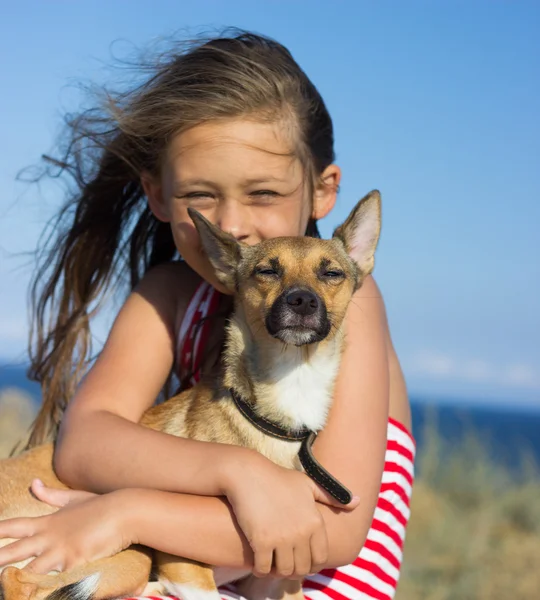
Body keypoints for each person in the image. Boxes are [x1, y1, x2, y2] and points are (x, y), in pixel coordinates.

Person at [0, 31, 415, 600]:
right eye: (201, 195)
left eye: (263, 192)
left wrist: (129, 514)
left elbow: (334, 528)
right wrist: (237, 471)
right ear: (158, 195)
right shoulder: (170, 295)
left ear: (323, 192)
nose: (233, 223)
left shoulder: (349, 306)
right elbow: (83, 443)